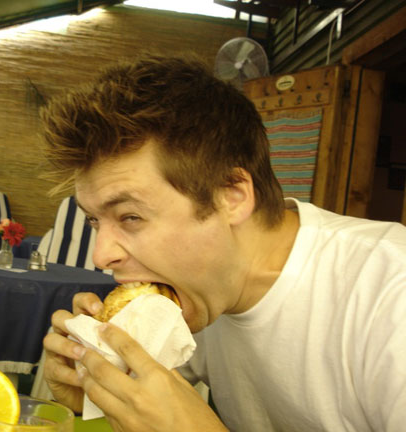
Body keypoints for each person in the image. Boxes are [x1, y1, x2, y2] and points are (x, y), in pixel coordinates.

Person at [39, 53, 406, 431]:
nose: (101, 255)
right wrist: (93, 397)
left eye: (130, 217)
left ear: (231, 196)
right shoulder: (196, 295)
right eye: (94, 220)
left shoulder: (390, 294)